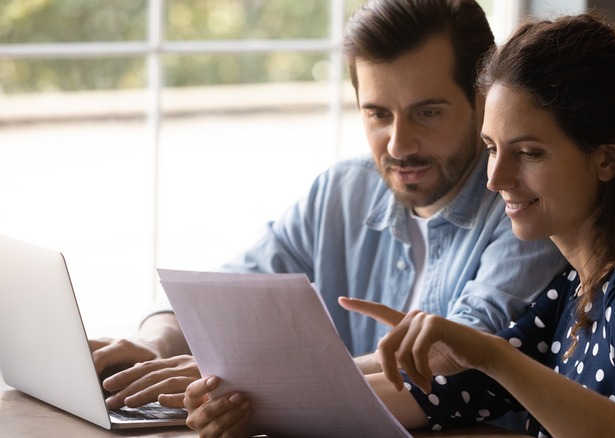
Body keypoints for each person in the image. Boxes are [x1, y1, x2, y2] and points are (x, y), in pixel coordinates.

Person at [183, 13, 615, 438]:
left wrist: (492, 357)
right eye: (491, 148)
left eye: (530, 153)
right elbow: (440, 390)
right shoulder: (579, 284)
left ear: (608, 157)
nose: (496, 179)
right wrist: (250, 402)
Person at [89, 0, 567, 412]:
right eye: (378, 114)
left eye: (428, 112)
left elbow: (453, 352)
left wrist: (256, 382)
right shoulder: (343, 191)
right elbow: (221, 297)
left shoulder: (522, 207)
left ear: (482, 102)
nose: (399, 145)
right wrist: (153, 346)